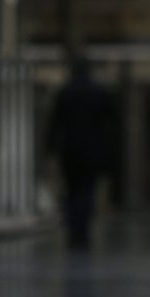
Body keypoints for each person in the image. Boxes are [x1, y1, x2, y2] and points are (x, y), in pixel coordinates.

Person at [48, 58, 116, 249]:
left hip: (69, 149)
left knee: (71, 189)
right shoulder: (99, 92)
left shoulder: (65, 92)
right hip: (92, 149)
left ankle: (73, 231)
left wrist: (51, 148)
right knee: (86, 190)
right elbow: (110, 122)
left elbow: (55, 122)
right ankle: (82, 232)